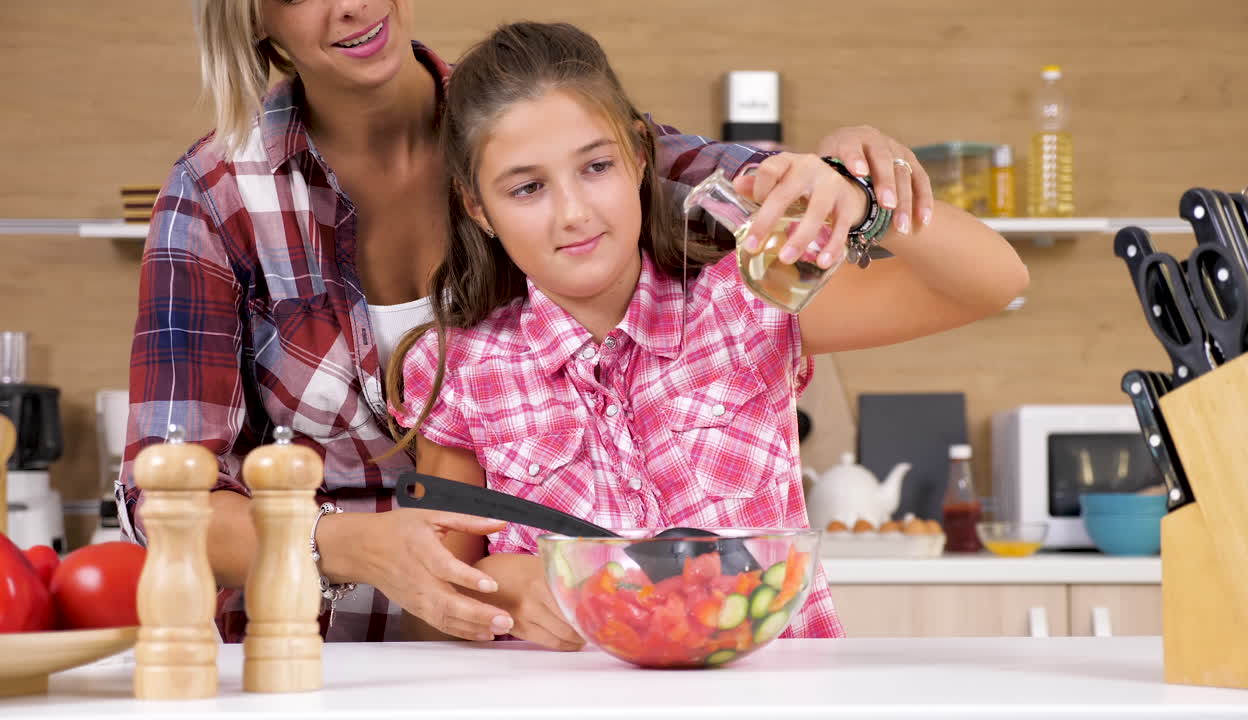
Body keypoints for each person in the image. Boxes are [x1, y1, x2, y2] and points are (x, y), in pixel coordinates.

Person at [115, 0, 942, 644]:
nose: (352, 7)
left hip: (545, 658)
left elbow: (779, 194)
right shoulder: (219, 196)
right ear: (252, 17)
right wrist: (344, 543)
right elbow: (161, 498)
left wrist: (849, 167)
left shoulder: (534, 122)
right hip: (314, 655)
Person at [386, 21, 1029, 650]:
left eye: (597, 166)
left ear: (639, 155)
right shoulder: (467, 370)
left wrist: (866, 204)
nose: (573, 212)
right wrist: (503, 584)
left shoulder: (746, 303)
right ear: (478, 208)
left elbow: (994, 282)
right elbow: (433, 600)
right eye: (527, 187)